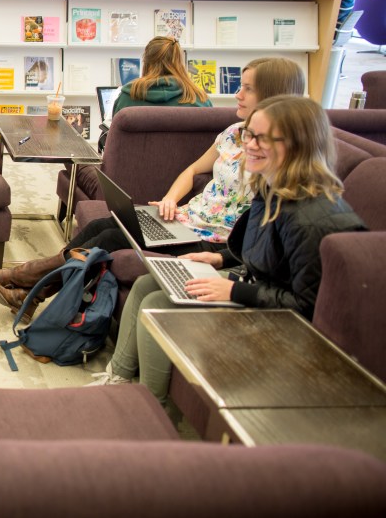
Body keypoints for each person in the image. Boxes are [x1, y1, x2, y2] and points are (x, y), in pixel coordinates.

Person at [0, 57, 306, 318]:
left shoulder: (278, 153)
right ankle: (27, 292)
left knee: (109, 237)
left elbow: (263, 233)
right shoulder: (234, 133)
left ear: (272, 95)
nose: (238, 93)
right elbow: (193, 170)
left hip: (211, 238)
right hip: (185, 220)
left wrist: (220, 258)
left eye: (247, 88)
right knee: (108, 222)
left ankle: (23, 285)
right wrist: (171, 200)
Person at [89, 96, 366, 408]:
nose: (249, 145)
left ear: (298, 144)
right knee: (145, 284)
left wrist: (234, 291)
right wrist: (220, 258)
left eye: (263, 138)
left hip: (279, 317)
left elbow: (307, 307)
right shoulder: (272, 186)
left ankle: (152, 408)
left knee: (157, 303)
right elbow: (264, 250)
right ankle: (120, 379)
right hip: (256, 286)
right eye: (249, 134)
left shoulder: (312, 219)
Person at [112, 36, 211, 115]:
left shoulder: (127, 98)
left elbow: (114, 138)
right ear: (180, 63)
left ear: (146, 63)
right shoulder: (200, 100)